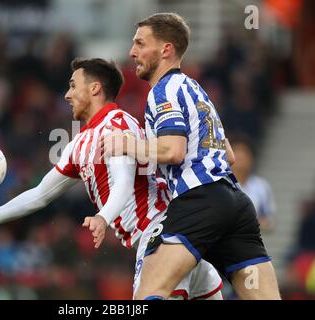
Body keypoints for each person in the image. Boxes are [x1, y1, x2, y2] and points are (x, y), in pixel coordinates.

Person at [0, 58, 223, 300]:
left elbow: (123, 182)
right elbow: (39, 195)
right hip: (176, 241)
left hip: (161, 236)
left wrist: (103, 217)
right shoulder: (79, 144)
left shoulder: (118, 124)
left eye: (73, 85)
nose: (67, 94)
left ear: (95, 88)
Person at [100, 13, 281, 300]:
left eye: (140, 43)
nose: (131, 52)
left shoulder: (163, 91)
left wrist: (128, 143)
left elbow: (173, 150)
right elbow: (229, 155)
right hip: (237, 205)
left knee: (148, 292)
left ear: (166, 49)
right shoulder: (197, 90)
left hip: (200, 201)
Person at [230, 136, 276, 232]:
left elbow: (270, 222)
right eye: (236, 152)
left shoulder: (261, 187)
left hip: (251, 241)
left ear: (251, 158)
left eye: (244, 153)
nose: (240, 157)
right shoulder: (219, 184)